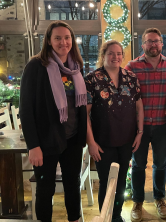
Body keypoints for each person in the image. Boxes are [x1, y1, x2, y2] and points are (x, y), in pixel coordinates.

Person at [20, 21, 87, 222]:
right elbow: (26, 110)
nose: (63, 42)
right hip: (46, 141)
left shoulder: (76, 67)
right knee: (45, 187)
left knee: (72, 185)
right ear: (48, 41)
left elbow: (79, 105)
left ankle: (74, 219)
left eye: (67, 38)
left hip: (73, 138)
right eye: (57, 38)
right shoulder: (36, 66)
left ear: (72, 41)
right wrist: (33, 146)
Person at [84, 40, 144, 222]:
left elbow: (139, 107)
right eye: (111, 53)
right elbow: (84, 115)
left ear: (123, 56)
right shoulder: (91, 79)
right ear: (103, 56)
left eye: (119, 53)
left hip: (127, 140)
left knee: (120, 183)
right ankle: (105, 218)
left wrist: (140, 133)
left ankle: (116, 216)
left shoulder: (131, 78)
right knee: (106, 183)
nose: (115, 57)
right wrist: (91, 143)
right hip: (103, 142)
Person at [125, 27, 166, 222]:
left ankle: (159, 198)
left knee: (161, 164)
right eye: (149, 41)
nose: (153, 44)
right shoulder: (131, 67)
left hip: (163, 125)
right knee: (138, 165)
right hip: (139, 127)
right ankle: (137, 201)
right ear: (143, 44)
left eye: (156, 41)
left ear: (161, 44)